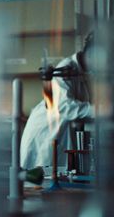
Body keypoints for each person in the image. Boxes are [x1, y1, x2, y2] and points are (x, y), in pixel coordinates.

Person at [20, 33, 94, 169]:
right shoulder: (66, 67)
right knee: (39, 180)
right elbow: (65, 108)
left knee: (52, 177)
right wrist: (102, 110)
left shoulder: (80, 72)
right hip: (44, 132)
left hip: (57, 133)